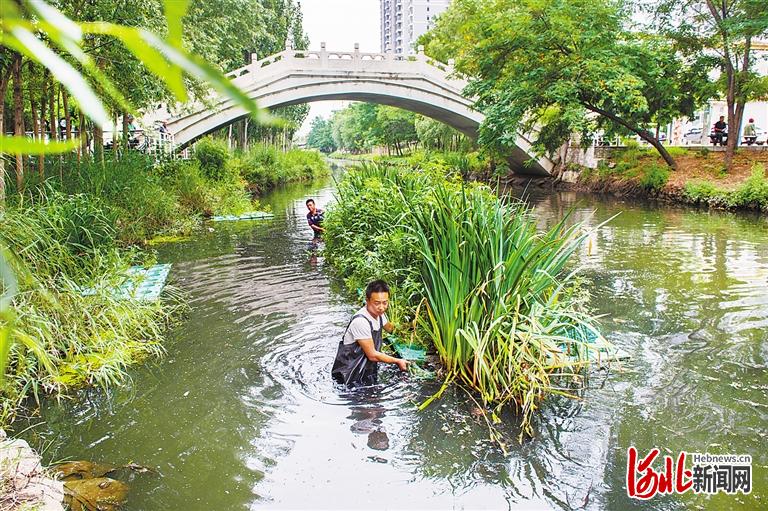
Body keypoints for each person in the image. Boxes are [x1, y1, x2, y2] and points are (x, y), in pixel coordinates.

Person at [331, 280, 409, 386]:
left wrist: (411, 326)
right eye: (377, 303)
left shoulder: (380, 314)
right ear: (367, 300)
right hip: (350, 376)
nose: (381, 307)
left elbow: (391, 329)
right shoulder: (361, 321)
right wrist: (397, 361)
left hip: (367, 370)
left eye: (385, 302)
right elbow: (372, 355)